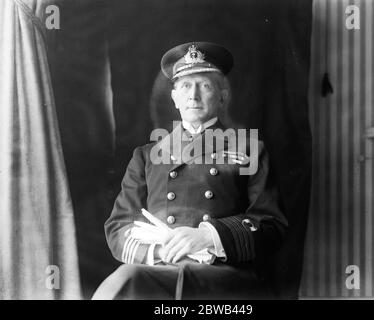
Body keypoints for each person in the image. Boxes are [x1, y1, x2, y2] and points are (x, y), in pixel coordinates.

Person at [92, 42, 288, 300]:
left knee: (134, 280)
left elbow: (270, 225)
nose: (193, 96)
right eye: (185, 86)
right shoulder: (147, 155)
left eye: (204, 86)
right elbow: (119, 227)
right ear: (174, 98)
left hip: (224, 274)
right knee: (129, 279)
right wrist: (162, 251)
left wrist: (208, 236)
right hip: (161, 267)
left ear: (222, 96)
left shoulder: (249, 148)